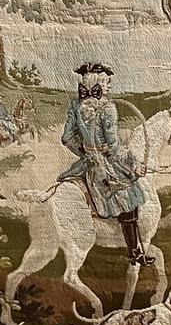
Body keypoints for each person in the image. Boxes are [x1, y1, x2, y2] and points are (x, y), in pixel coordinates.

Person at [56, 62, 150, 265]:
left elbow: (66, 138)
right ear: (98, 84)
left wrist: (87, 153)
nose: (109, 85)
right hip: (105, 166)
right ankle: (134, 252)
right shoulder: (108, 108)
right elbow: (114, 148)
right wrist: (134, 166)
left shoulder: (76, 105)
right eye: (107, 82)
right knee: (130, 194)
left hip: (88, 164)